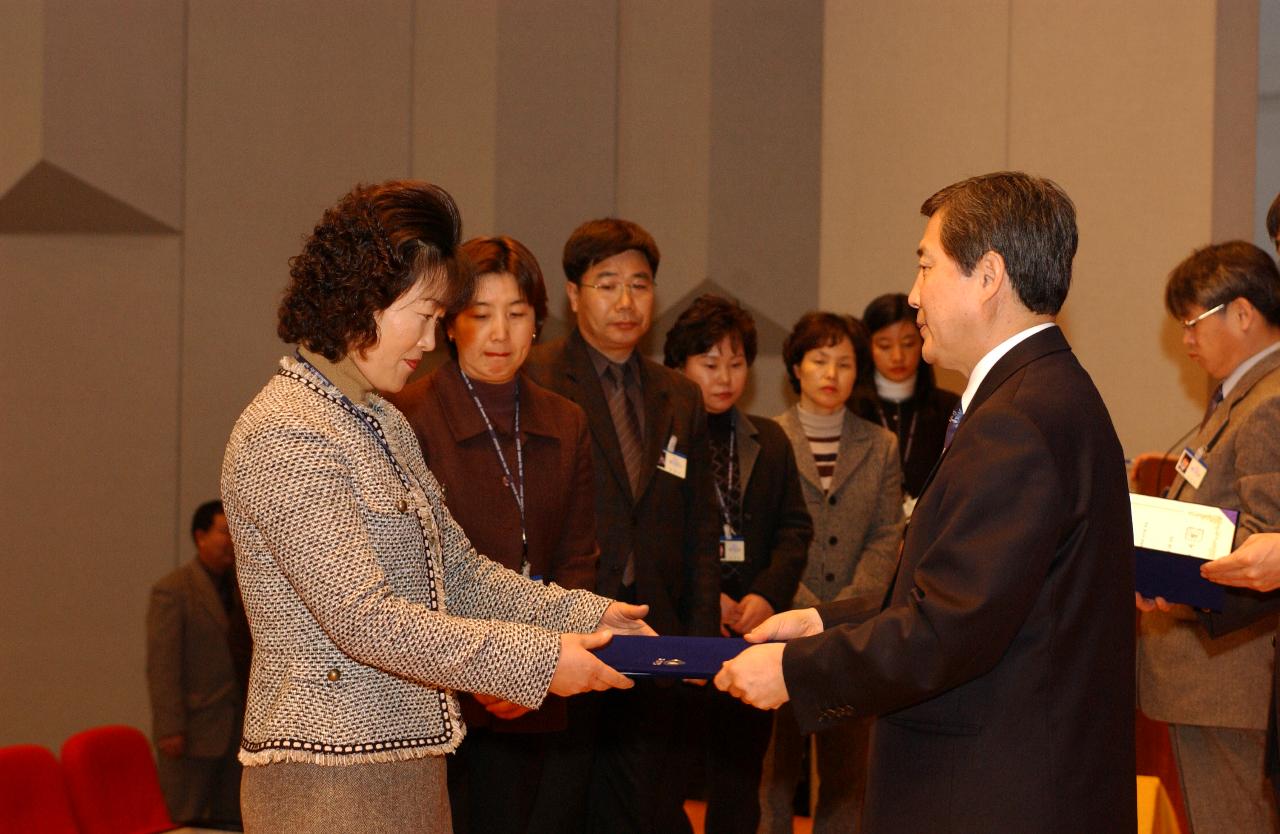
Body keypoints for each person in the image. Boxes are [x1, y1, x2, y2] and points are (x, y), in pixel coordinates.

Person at [220, 181, 651, 833]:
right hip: (325, 783)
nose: (432, 339)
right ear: (364, 301)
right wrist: (537, 660)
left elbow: (461, 574)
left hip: (411, 763)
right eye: (424, 316)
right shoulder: (288, 430)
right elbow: (363, 619)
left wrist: (590, 614)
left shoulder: (378, 420)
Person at [714, 171, 1136, 832]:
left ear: (988, 275)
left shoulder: (1018, 420)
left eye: (926, 267)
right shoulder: (1045, 392)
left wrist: (798, 671)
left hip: (992, 794)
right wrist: (826, 623)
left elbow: (950, 629)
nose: (913, 298)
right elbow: (982, 594)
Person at [385, 235, 598, 834]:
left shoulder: (567, 419)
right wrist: (496, 671)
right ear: (448, 325)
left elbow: (579, 558)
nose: (499, 333)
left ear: (538, 323)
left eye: (517, 313)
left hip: (555, 681)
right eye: (480, 315)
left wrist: (543, 661)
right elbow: (414, 575)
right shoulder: (407, 414)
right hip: (451, 693)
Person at [524, 217, 720, 834]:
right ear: (573, 294)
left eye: (640, 284)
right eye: (607, 284)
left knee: (642, 809)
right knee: (560, 802)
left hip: (656, 630)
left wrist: (701, 642)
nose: (626, 301)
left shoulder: (679, 395)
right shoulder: (536, 378)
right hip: (566, 623)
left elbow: (700, 529)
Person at [1134, 241, 1280, 833]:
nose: (1186, 341)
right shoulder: (1238, 396)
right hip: (1211, 677)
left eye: (1192, 323)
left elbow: (1265, 541)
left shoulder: (1269, 402)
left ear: (1242, 313)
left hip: (1232, 680)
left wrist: (1168, 569)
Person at [661, 294, 813, 834]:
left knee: (739, 778)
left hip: (752, 632)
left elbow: (796, 528)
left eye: (736, 362)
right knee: (665, 778)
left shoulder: (768, 441)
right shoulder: (665, 439)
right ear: (678, 366)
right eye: (710, 363)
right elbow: (654, 537)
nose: (725, 377)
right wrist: (708, 601)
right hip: (680, 629)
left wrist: (765, 597)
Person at [758, 311, 902, 834]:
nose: (831, 373)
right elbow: (765, 535)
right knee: (773, 768)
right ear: (796, 366)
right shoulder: (769, 437)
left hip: (852, 628)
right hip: (778, 624)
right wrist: (797, 605)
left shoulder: (880, 444)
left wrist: (847, 606)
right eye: (820, 360)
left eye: (845, 363)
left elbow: (888, 533)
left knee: (846, 773)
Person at [146, 499, 251, 825]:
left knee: (231, 819)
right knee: (184, 817)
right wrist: (170, 728)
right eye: (224, 531)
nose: (232, 540)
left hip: (237, 729)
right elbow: (163, 665)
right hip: (192, 731)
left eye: (235, 531)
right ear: (200, 536)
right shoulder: (173, 590)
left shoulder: (243, 587)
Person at [851, 292, 960, 508]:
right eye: (884, 345)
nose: (897, 356)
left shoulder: (949, 408)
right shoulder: (851, 409)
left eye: (908, 344)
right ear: (867, 347)